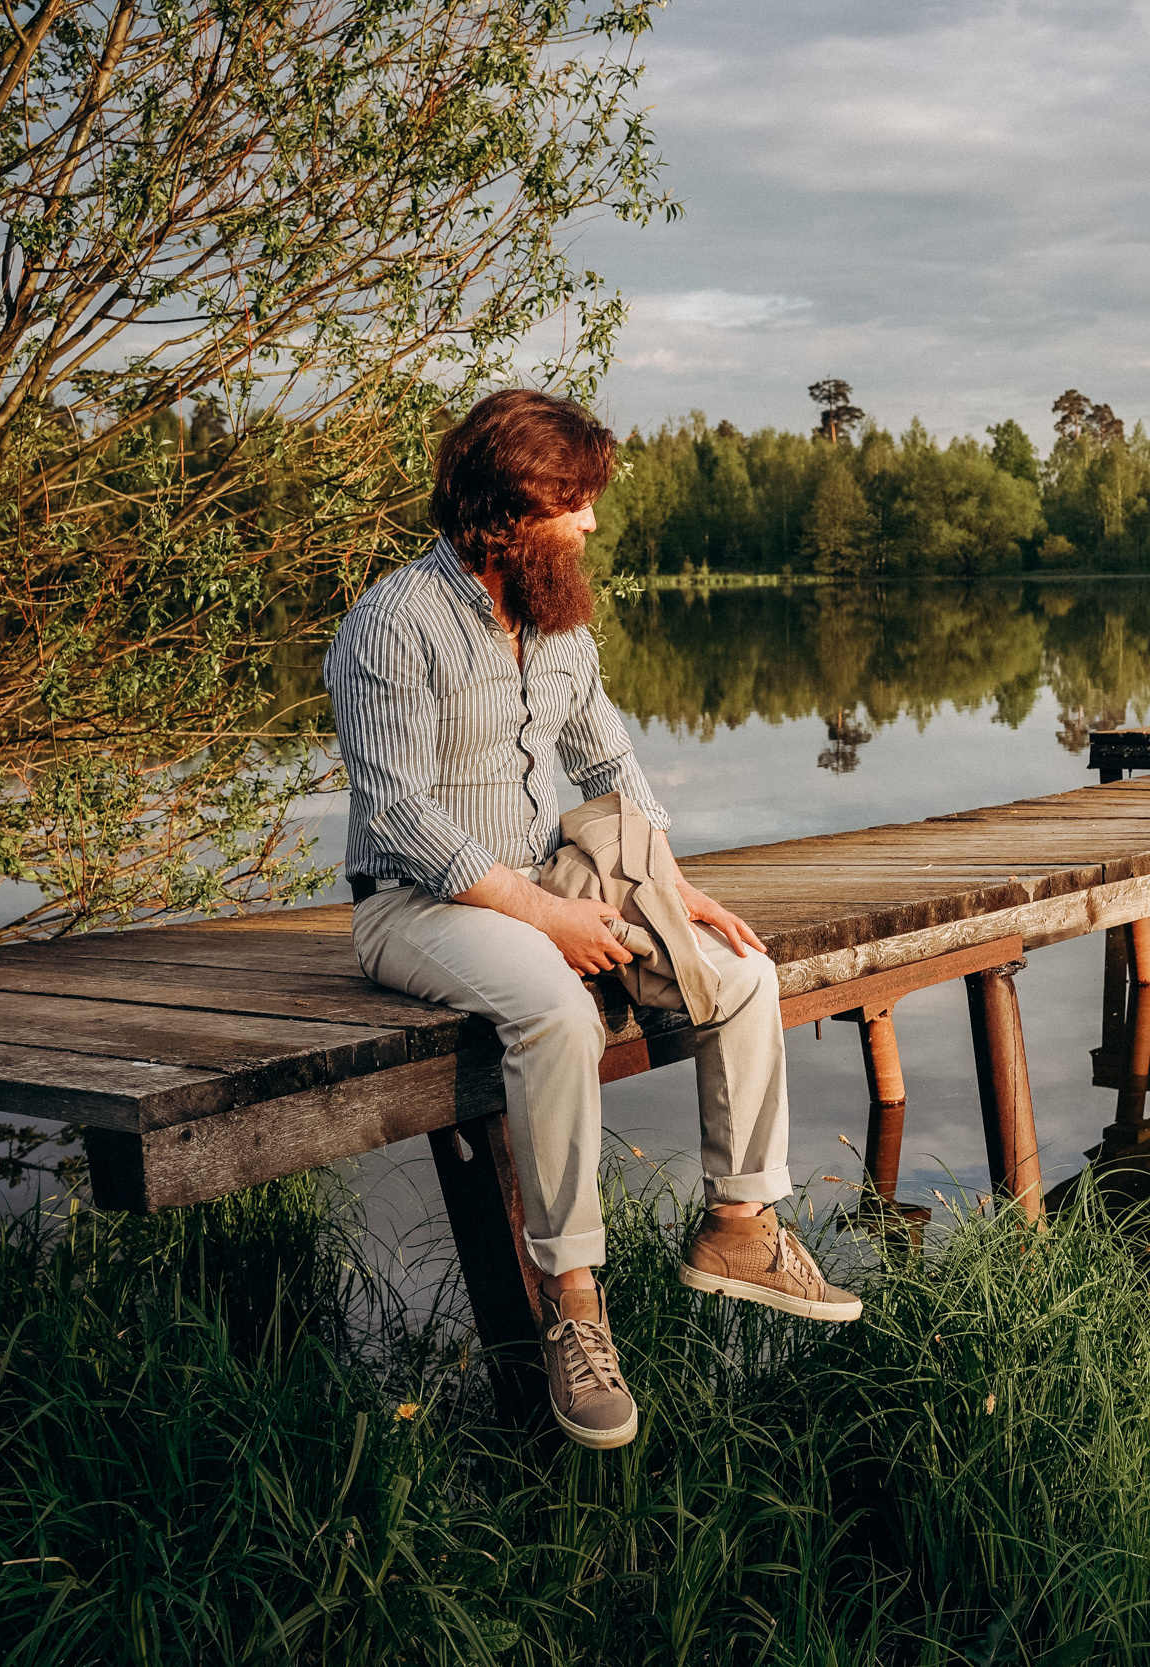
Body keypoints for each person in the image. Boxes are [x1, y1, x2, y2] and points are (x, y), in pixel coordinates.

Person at [324, 389, 859, 1450]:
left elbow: (609, 763)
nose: (591, 525)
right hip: (415, 903)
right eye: (574, 503)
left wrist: (670, 887)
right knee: (558, 1014)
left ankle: (739, 1226)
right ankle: (572, 1299)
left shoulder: (561, 618)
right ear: (508, 509)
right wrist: (540, 917)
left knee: (741, 970)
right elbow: (399, 814)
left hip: (551, 884)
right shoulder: (392, 624)